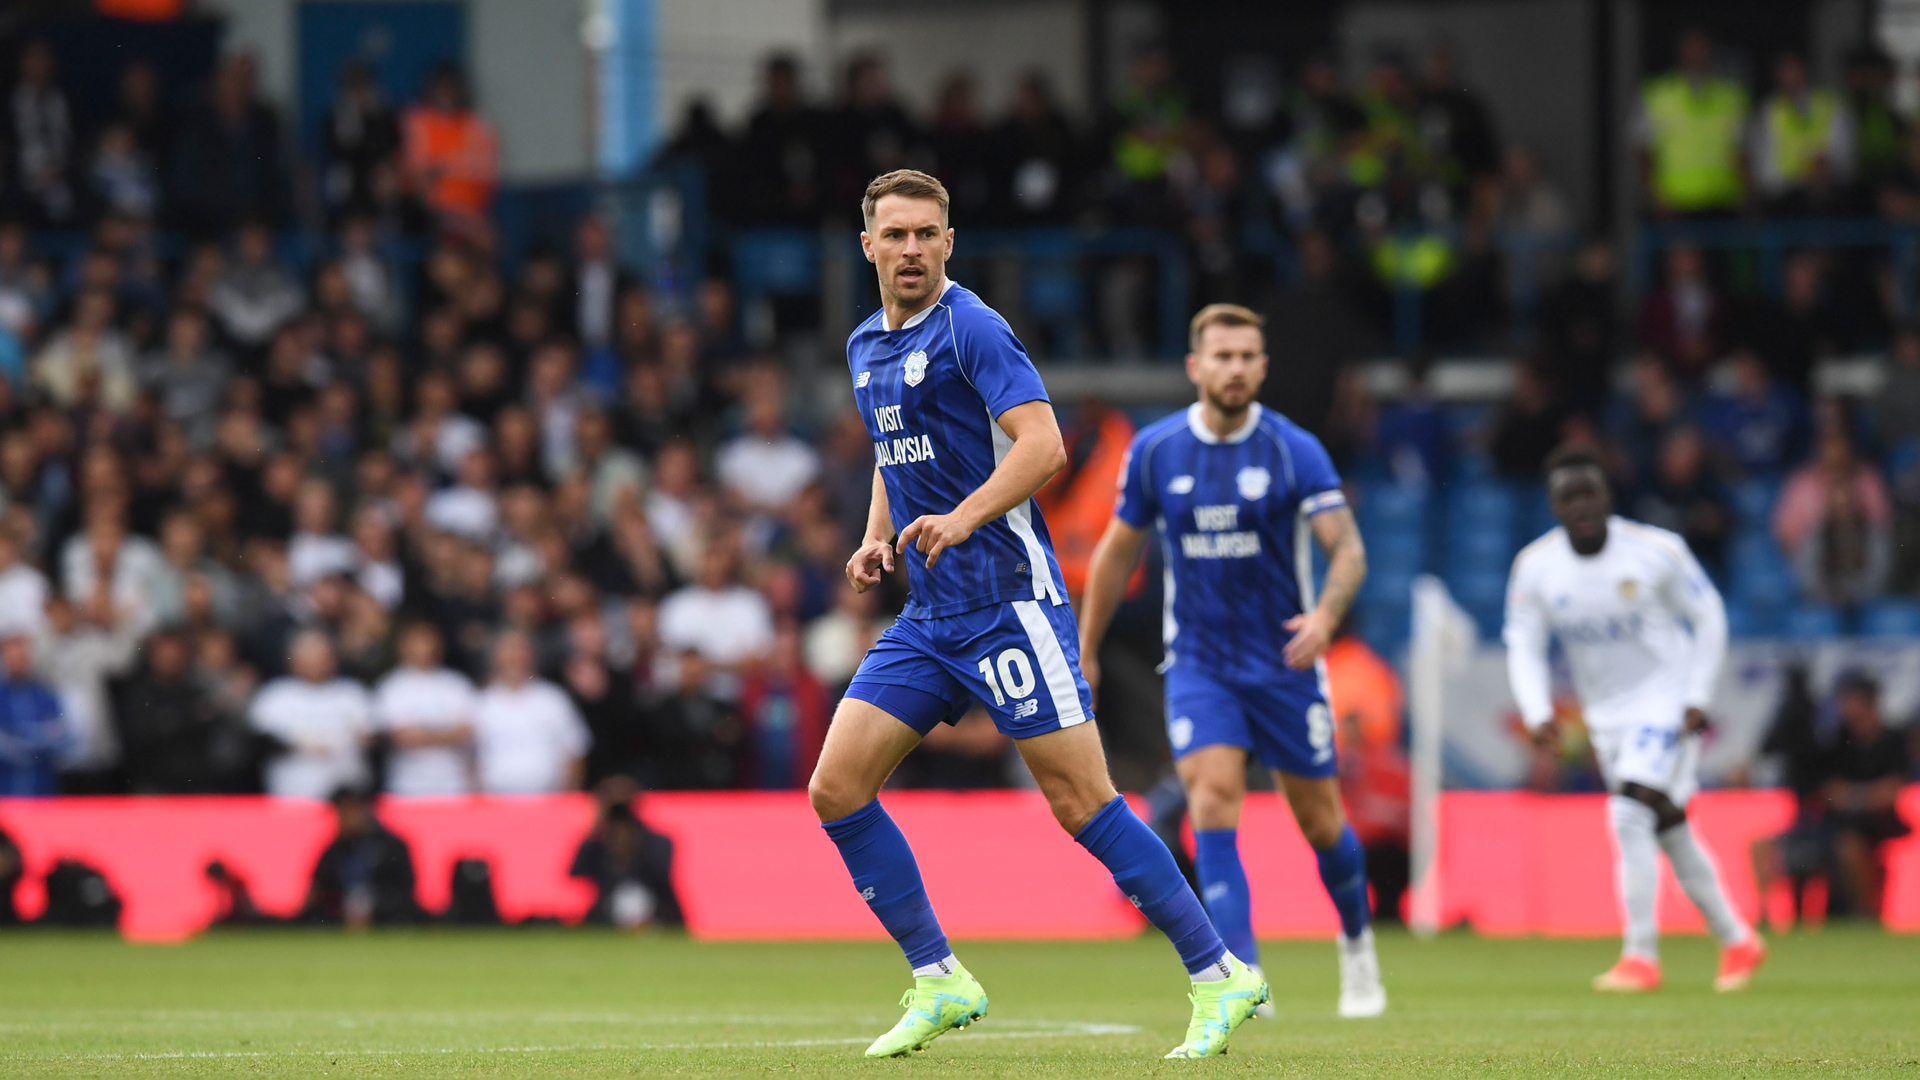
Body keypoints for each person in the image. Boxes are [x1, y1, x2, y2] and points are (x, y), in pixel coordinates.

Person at [811, 170, 1262, 1060]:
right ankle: (939, 977)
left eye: (926, 234)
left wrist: (964, 517)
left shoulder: (971, 326)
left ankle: (1221, 974)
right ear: (867, 245)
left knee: (1080, 799)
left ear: (949, 242)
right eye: (894, 234)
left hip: (1009, 603)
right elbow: (893, 455)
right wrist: (879, 538)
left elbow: (1045, 444)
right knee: (836, 787)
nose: (910, 249)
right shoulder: (867, 343)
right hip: (931, 611)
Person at [1078, 303, 1386, 1019]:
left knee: (1322, 825)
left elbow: (1349, 549)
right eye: (1222, 356)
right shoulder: (1157, 450)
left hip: (1284, 665)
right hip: (1200, 665)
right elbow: (1117, 550)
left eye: (1248, 356)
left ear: (1263, 367)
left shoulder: (1291, 448)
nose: (1235, 368)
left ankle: (1358, 945)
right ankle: (1240, 972)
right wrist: (1086, 648)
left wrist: (1327, 616)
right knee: (1213, 800)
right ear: (1195, 367)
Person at [1504, 446, 1765, 992]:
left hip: (1666, 704)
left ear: (1608, 495)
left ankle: (1640, 957)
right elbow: (1523, 643)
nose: (1580, 505)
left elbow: (1708, 613)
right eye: (1567, 496)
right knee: (1668, 827)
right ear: (1552, 505)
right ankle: (1738, 940)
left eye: (1589, 492)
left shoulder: (1656, 550)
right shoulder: (1535, 567)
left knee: (1627, 815)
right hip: (1606, 719)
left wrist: (1698, 692)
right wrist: (1536, 710)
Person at [1635, 29, 1749, 217]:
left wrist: (1747, 197)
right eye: (1692, 47)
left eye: (1702, 47)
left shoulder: (1731, 96)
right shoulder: (1658, 94)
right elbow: (1641, 150)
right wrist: (1654, 196)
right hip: (1675, 202)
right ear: (1681, 51)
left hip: (1723, 200)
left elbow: (1742, 151)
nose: (1697, 52)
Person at [249, 630, 371, 799]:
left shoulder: (352, 693)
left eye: (321, 658)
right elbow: (259, 744)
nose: (315, 665)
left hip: (346, 802)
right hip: (291, 796)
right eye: (308, 659)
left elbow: (374, 738)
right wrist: (298, 745)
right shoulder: (274, 696)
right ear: (293, 661)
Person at [472, 630, 589, 794]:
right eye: (508, 650)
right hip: (494, 806)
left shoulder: (553, 699)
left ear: (532, 656)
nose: (514, 657)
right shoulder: (480, 703)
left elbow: (575, 751)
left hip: (549, 803)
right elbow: (470, 758)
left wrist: (567, 798)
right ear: (495, 657)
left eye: (520, 650)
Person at [372, 620, 477, 796]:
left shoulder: (456, 684)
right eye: (417, 642)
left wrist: (422, 734)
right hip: (408, 785)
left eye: (427, 641)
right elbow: (402, 737)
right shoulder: (391, 686)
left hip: (453, 783)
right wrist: (446, 734)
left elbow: (465, 732)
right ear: (403, 646)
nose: (423, 648)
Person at [301, 787, 420, 926]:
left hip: (385, 920)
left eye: (349, 812)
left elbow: (405, 893)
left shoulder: (392, 846)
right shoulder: (334, 850)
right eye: (340, 813)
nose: (343, 819)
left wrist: (373, 906)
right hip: (339, 920)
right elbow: (318, 890)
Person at [0, 627, 69, 796]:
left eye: (23, 654)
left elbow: (62, 738)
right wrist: (37, 737)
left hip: (42, 794)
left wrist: (20, 736)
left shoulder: (46, 695)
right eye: (13, 654)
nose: (18, 658)